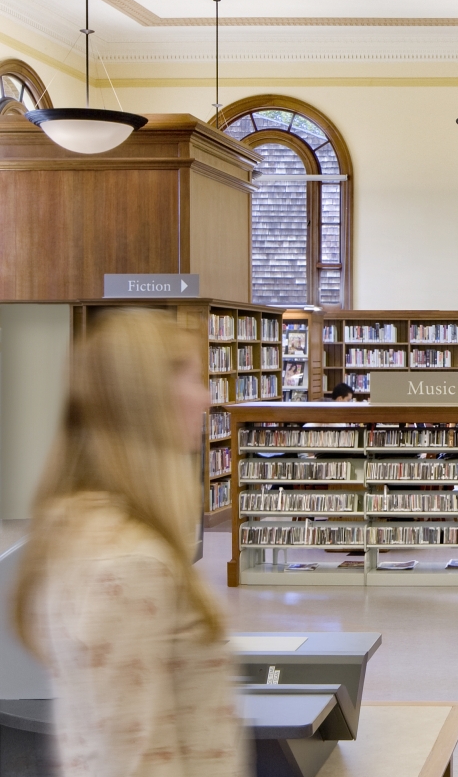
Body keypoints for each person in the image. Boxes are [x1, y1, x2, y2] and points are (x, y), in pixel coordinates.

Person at [12, 309, 244, 777]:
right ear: (143, 398)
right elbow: (135, 762)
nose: (205, 398)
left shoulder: (76, 527)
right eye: (189, 377)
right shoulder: (132, 562)